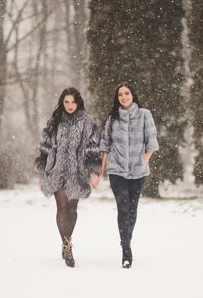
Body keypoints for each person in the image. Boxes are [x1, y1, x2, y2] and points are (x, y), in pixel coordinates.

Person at [34, 87, 101, 268]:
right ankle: (67, 244)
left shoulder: (88, 123)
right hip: (57, 171)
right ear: (62, 103)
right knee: (62, 208)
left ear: (78, 102)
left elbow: (93, 149)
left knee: (72, 210)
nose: (70, 105)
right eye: (66, 102)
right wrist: (43, 174)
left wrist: (94, 172)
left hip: (77, 172)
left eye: (73, 102)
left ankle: (67, 240)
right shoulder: (55, 122)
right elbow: (45, 150)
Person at [97, 83, 159, 268]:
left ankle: (126, 241)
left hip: (138, 171)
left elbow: (152, 143)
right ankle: (126, 249)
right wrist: (102, 170)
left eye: (127, 93)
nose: (123, 97)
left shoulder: (144, 115)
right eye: (120, 95)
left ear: (133, 95)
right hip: (116, 170)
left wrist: (143, 161)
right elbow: (105, 145)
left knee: (132, 209)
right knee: (123, 208)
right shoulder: (112, 118)